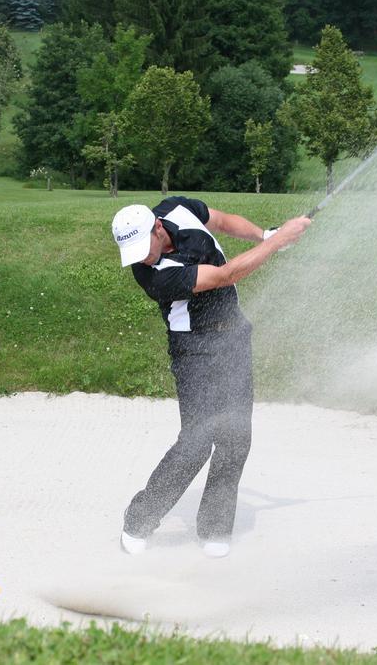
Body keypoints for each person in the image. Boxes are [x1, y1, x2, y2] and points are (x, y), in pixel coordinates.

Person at [111, 197, 310, 558]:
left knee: (236, 437)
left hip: (232, 337)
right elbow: (225, 276)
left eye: (143, 248)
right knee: (197, 441)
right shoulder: (155, 274)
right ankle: (138, 520)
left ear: (158, 227)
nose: (141, 258)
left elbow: (219, 219)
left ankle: (215, 526)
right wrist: (276, 243)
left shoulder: (175, 208)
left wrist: (263, 233)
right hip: (194, 349)